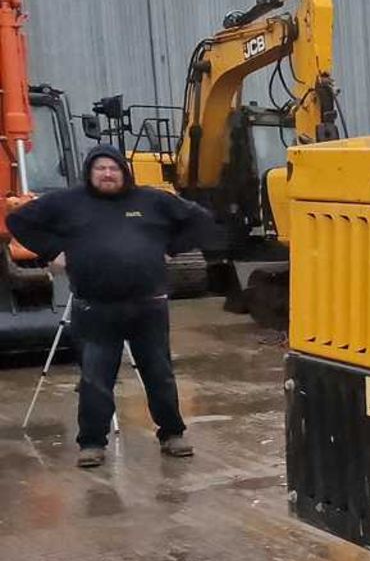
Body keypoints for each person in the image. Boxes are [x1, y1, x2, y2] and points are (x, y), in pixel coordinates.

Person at [7, 144, 217, 468]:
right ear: (90, 173)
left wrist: (170, 250)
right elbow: (18, 220)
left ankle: (173, 433)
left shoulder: (152, 200)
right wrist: (52, 252)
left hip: (148, 306)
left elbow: (201, 221)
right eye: (100, 168)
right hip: (95, 308)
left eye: (113, 168)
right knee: (95, 377)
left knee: (159, 373)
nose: (107, 174)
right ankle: (92, 443)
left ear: (124, 172)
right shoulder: (68, 202)